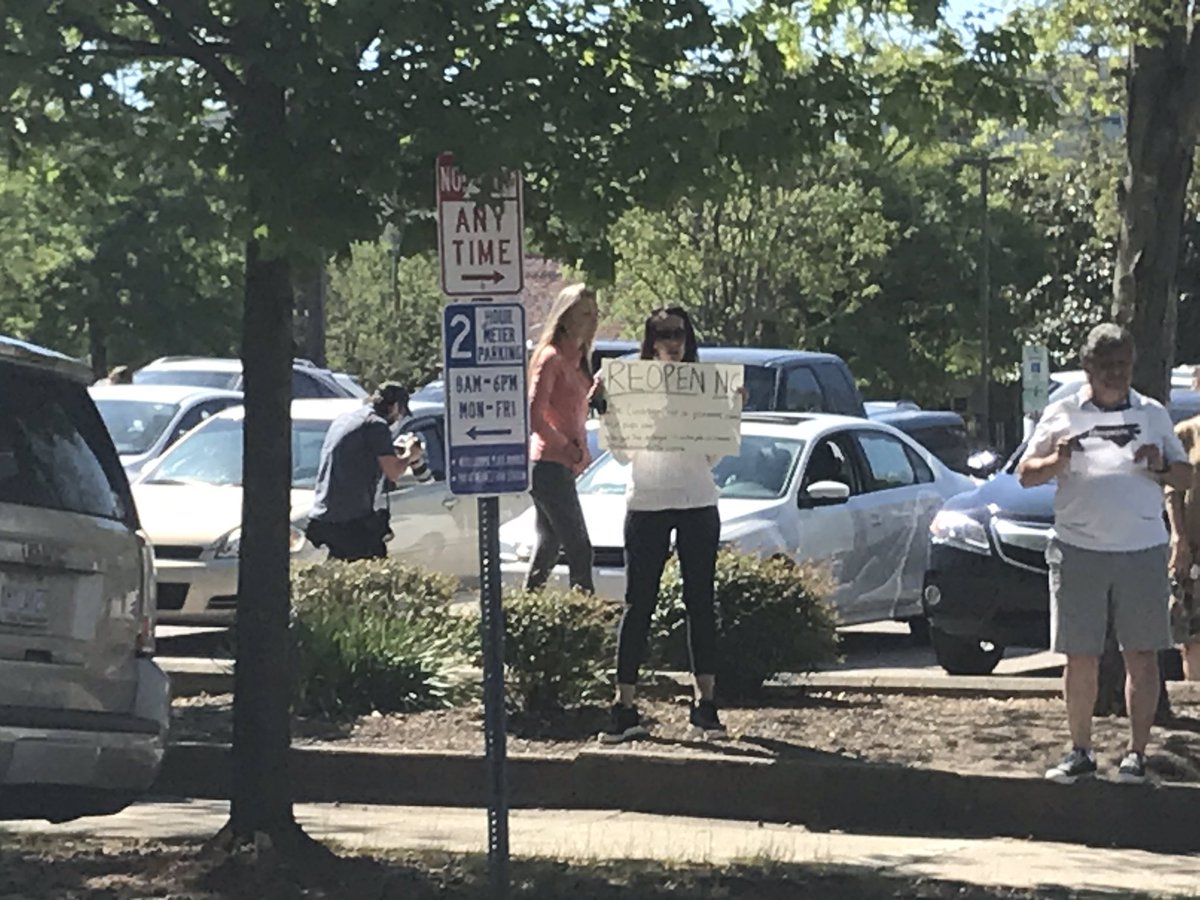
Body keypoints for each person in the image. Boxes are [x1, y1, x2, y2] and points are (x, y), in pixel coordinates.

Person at [1018, 324, 1190, 784]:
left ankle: (1136, 753)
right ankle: (1080, 750)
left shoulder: (1152, 413)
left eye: (1124, 365)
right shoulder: (1062, 411)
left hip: (1142, 548)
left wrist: (1161, 465)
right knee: (1080, 656)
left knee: (1143, 655)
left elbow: (1187, 476)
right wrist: (1056, 461)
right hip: (1079, 549)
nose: (1116, 374)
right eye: (1107, 365)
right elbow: (1025, 475)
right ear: (1088, 367)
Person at [600, 306, 727, 744]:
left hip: (697, 500)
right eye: (663, 334)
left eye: (680, 334)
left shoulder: (704, 384)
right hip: (647, 501)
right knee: (639, 604)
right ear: (649, 340)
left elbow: (712, 455)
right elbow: (620, 453)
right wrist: (604, 407)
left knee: (700, 602)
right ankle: (624, 705)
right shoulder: (632, 385)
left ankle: (705, 706)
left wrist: (731, 414)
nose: (673, 342)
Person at [524, 283, 598, 592]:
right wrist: (568, 449)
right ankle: (585, 614)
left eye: (594, 313)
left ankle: (527, 607)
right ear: (565, 316)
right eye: (582, 313)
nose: (590, 320)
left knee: (549, 544)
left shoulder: (580, 360)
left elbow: (577, 408)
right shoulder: (551, 357)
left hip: (565, 466)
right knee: (580, 548)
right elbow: (534, 415)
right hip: (549, 464)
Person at [305, 383, 425, 561]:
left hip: (323, 515)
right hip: (349, 522)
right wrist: (410, 455)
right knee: (376, 568)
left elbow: (358, 453)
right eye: (401, 412)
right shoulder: (376, 425)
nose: (399, 418)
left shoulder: (345, 419)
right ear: (395, 406)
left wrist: (392, 451)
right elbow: (393, 473)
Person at [1166, 367, 1200, 679]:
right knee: (1192, 634)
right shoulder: (1186, 433)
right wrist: (1179, 537)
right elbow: (1173, 490)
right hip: (1194, 548)